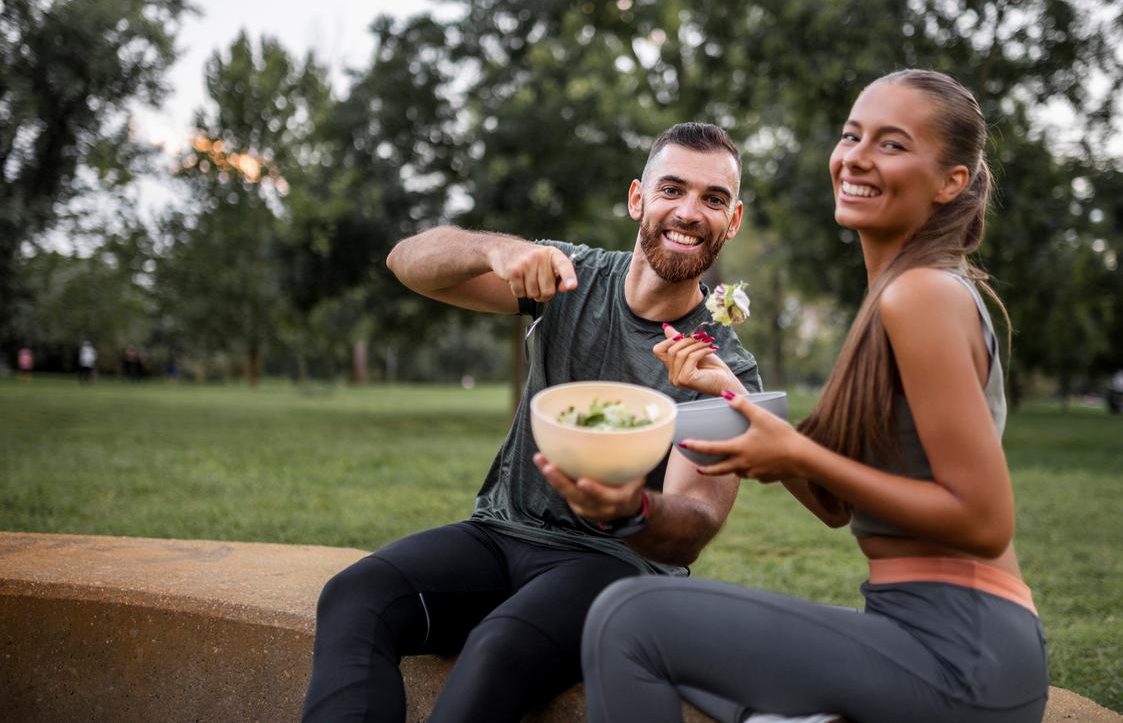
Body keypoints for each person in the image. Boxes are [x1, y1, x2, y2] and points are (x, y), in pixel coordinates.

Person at [581, 71, 1050, 723]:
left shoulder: (923, 294)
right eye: (851, 134)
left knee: (628, 618)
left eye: (891, 144)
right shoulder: (895, 296)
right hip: (927, 631)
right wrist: (733, 393)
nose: (855, 156)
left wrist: (798, 453)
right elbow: (834, 505)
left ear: (952, 181)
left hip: (960, 650)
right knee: (709, 664)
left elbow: (983, 518)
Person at [302, 122, 763, 722]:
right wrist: (498, 249)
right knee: (355, 595)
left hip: (616, 569)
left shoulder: (720, 365)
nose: (690, 211)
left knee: (498, 645)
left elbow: (695, 522)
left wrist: (625, 510)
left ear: (733, 221)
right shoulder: (566, 276)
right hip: (500, 532)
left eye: (713, 199)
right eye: (671, 189)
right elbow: (406, 261)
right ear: (636, 199)